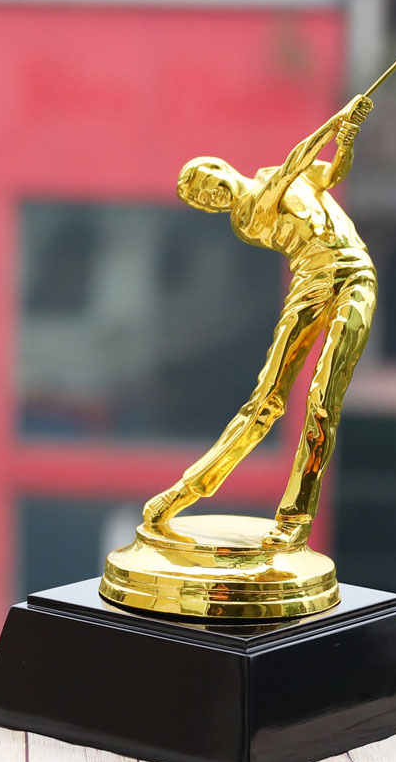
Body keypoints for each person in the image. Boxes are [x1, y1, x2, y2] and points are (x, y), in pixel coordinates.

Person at [144, 94, 377, 546]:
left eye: (204, 181)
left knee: (324, 400)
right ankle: (183, 493)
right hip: (312, 284)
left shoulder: (281, 175)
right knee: (266, 402)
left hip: (357, 274)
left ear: (220, 166)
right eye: (202, 200)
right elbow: (293, 167)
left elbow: (330, 174)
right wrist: (336, 123)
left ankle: (295, 518)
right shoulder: (249, 217)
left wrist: (347, 136)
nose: (209, 194)